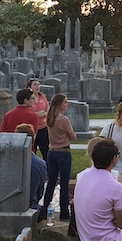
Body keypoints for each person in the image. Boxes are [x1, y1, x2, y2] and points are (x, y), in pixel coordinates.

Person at [45, 93, 76, 221]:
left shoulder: (49, 118)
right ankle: (64, 213)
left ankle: (44, 208)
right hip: (63, 152)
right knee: (64, 184)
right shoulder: (63, 120)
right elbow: (73, 136)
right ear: (59, 105)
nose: (66, 104)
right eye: (65, 102)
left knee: (51, 182)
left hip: (51, 152)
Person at [27, 78, 50, 157]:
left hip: (43, 128)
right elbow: (26, 112)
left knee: (46, 151)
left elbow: (48, 109)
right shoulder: (27, 99)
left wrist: (45, 113)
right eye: (35, 84)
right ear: (30, 87)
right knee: (32, 152)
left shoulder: (42, 97)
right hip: (32, 129)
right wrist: (36, 114)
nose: (37, 86)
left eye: (38, 84)